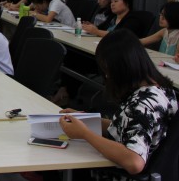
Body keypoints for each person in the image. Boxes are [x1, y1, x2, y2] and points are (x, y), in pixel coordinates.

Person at [59, 30, 177, 175]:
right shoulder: (162, 88)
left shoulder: (142, 104)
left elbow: (134, 162)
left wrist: (84, 133)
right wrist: (87, 121)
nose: (107, 76)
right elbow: (129, 127)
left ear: (122, 68)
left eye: (108, 71)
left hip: (114, 173)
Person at [82, 0, 148, 38]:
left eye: (116, 1)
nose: (112, 4)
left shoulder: (133, 19)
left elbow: (120, 36)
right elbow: (100, 29)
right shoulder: (113, 17)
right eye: (111, 2)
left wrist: (97, 31)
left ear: (127, 3)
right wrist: (91, 27)